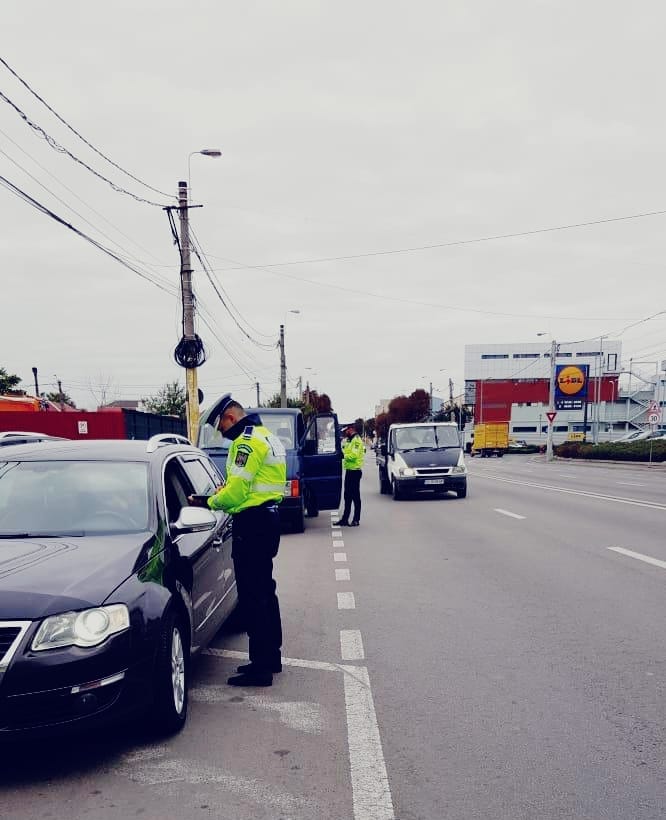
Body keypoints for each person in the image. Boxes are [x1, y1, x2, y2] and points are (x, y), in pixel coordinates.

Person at [189, 394, 286, 687]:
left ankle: (260, 669)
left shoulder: (245, 443)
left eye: (221, 427)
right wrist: (226, 494)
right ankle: (271, 657)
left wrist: (209, 501)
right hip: (267, 520)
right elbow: (246, 485)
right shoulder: (268, 436)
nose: (222, 434)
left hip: (252, 524)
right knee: (265, 592)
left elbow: (236, 494)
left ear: (230, 418)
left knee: (253, 596)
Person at [334, 422, 365, 527]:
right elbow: (345, 450)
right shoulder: (348, 440)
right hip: (349, 471)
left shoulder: (357, 441)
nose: (345, 433)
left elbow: (353, 455)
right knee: (347, 496)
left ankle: (356, 519)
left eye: (346, 430)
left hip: (355, 471)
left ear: (351, 429)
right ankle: (345, 519)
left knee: (355, 496)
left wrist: (343, 455)